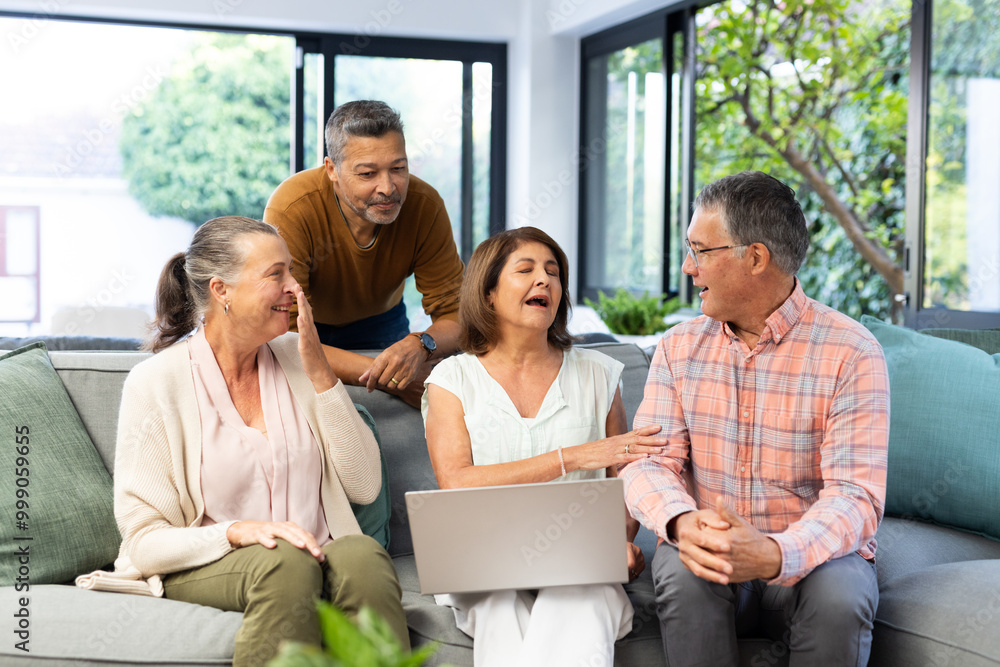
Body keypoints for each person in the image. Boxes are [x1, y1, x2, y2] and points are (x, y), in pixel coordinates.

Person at [110, 217, 408, 666]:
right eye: (276, 274)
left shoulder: (298, 358)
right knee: (284, 560)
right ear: (222, 291)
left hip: (316, 552)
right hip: (213, 561)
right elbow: (144, 542)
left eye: (292, 271)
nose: (295, 288)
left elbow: (364, 488)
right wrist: (236, 532)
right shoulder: (155, 383)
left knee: (363, 555)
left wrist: (322, 373)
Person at [621, 171, 889, 666]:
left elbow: (856, 495)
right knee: (683, 569)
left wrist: (777, 554)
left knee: (841, 596)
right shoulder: (678, 349)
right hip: (712, 559)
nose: (688, 267)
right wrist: (682, 521)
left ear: (756, 258)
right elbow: (647, 463)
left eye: (700, 251)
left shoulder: (852, 352)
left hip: (811, 561)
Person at [421, 226, 667, 667]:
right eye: (526, 270)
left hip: (581, 556)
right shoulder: (451, 379)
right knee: (498, 606)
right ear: (489, 294)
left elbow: (623, 483)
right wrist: (572, 457)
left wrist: (620, 541)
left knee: (580, 595)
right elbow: (456, 482)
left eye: (553, 272)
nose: (545, 280)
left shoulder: (600, 374)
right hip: (485, 557)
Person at [263, 100, 464, 408]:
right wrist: (391, 379)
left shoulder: (425, 206)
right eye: (368, 173)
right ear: (332, 169)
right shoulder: (293, 207)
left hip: (383, 322)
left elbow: (457, 313)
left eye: (398, 169)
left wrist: (421, 343)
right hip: (307, 327)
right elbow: (284, 336)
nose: (388, 187)